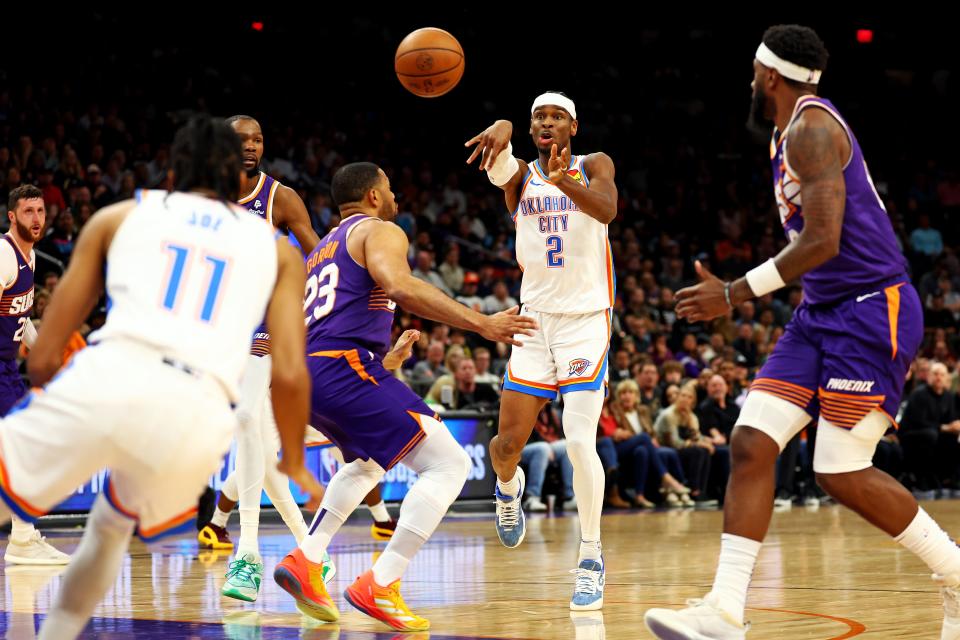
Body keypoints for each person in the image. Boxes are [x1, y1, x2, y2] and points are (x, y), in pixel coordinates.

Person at [645, 25, 957, 639]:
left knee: (839, 468)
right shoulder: (788, 133)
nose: (750, 82)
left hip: (872, 309)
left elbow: (824, 239)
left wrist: (734, 293)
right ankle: (725, 611)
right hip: (821, 312)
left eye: (752, 72)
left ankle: (954, 572)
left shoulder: (813, 129)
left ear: (768, 76)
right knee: (751, 442)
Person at [0, 116, 321, 640]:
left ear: (172, 169)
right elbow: (288, 371)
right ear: (230, 173)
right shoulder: (277, 252)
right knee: (108, 530)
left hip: (112, 378)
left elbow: (42, 356)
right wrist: (291, 457)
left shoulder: (120, 217)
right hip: (194, 420)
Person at [272, 162, 535, 631]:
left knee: (366, 463)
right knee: (450, 464)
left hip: (306, 374)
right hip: (341, 365)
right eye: (390, 187)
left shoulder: (322, 251)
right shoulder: (380, 230)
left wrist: (382, 358)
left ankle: (306, 559)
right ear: (373, 196)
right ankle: (382, 583)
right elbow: (398, 286)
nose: (395, 196)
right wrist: (483, 322)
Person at [466, 91, 617, 610]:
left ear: (574, 125)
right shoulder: (518, 177)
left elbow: (608, 208)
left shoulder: (593, 164)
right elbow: (500, 158)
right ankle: (508, 491)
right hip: (533, 322)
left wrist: (563, 181)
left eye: (556, 117)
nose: (547, 123)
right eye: (539, 118)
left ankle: (591, 557)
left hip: (585, 322)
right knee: (505, 448)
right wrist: (505, 121)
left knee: (579, 441)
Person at [0, 185, 69, 565]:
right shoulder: (4, 255)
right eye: (28, 212)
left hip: (8, 367)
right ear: (12, 216)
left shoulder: (30, 258)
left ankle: (24, 538)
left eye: (41, 211)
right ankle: (23, 540)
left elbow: (20, 315)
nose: (37, 218)